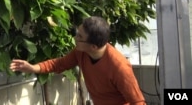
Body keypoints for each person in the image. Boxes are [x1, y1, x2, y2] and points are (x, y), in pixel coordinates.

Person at [10, 16, 146, 105]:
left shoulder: (119, 67)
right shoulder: (81, 53)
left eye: (79, 36)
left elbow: (138, 102)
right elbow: (59, 64)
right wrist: (33, 68)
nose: (75, 38)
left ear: (93, 46)